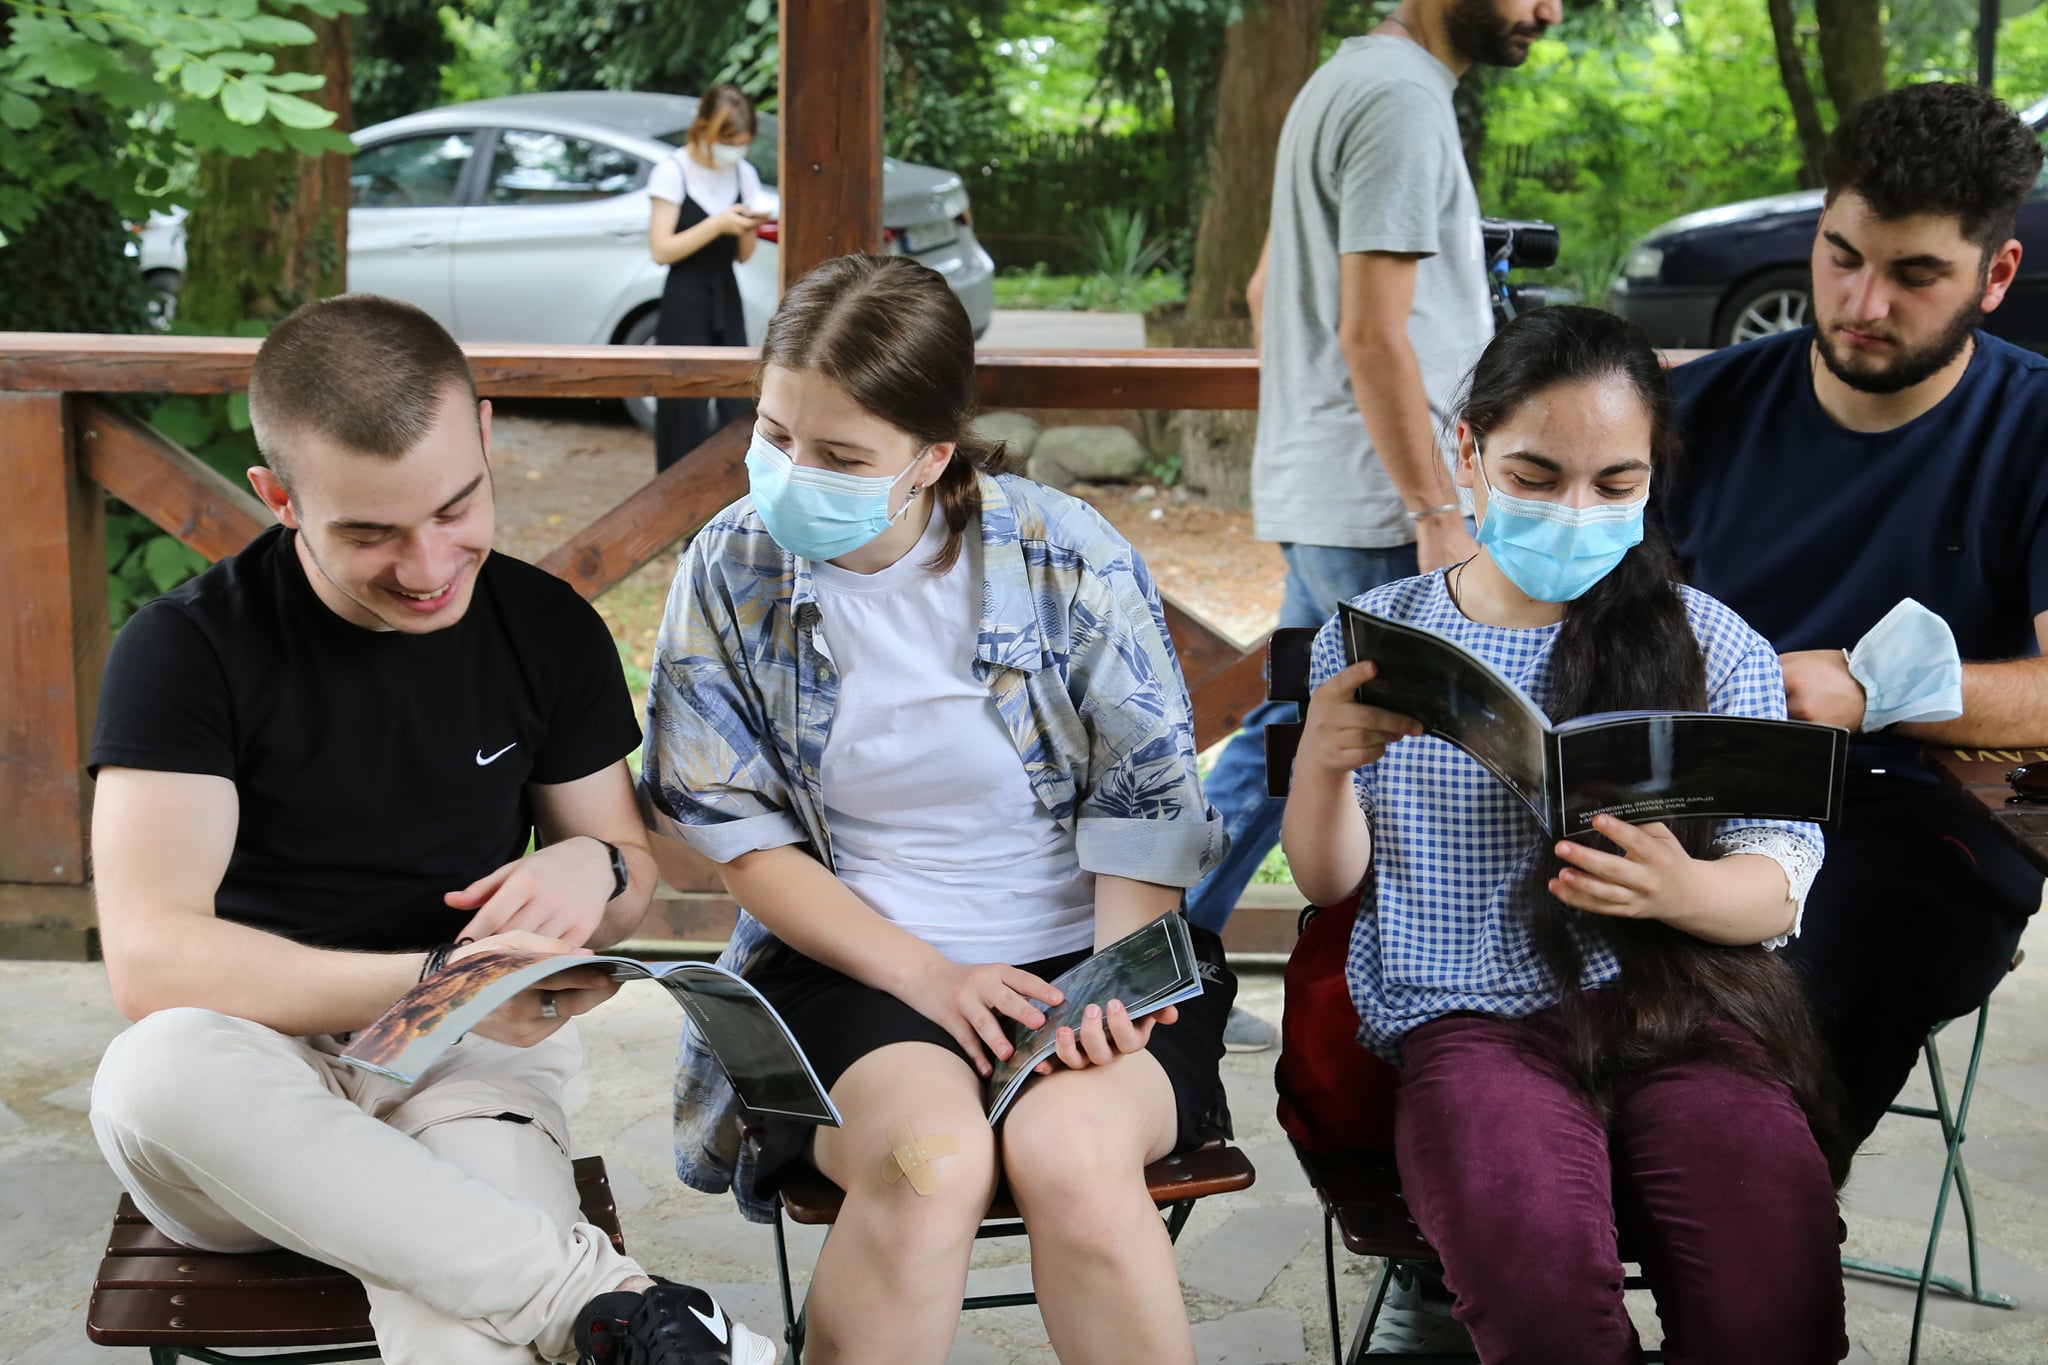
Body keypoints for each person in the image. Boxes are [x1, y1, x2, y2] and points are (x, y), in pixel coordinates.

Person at [85, 294, 776, 1365]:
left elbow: (625, 867)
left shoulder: (545, 630)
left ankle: (602, 1311)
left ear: (485, 435)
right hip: (249, 1077)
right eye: (370, 533)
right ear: (279, 497)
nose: (426, 566)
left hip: (465, 1067)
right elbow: (151, 961)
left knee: (467, 1327)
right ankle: (610, 1298)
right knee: (153, 1071)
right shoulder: (183, 650)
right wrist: (440, 978)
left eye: (457, 508)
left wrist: (595, 867)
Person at [642, 253, 1235, 1365]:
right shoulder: (728, 566)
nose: (790, 473)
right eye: (774, 434)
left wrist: (1105, 992)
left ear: (930, 457)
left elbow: (1148, 804)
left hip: (1087, 953)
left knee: (1072, 1154)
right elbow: (738, 838)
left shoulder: (1065, 553)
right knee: (929, 1164)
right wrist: (929, 976)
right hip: (856, 963)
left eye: (839, 456)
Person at [1281, 306, 1848, 1364]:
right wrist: (1321, 758)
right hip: (1464, 1016)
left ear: (1651, 476)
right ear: (1468, 452)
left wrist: (1680, 891)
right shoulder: (1380, 640)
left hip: (1683, 1007)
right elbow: (1329, 882)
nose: (1576, 511)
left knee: (1771, 1302)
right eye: (1535, 477)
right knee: (1542, 1306)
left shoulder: (1712, 643)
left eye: (1614, 484)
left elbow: (1781, 875)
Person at [1664, 81, 2048, 1151]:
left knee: (1750, 1064)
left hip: (1917, 816)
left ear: (1995, 275)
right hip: (1684, 791)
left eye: (1915, 275)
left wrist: (1874, 690)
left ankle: (1745, 1223)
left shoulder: (2031, 426)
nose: (1861, 302)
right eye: (1840, 256)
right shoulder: (1693, 411)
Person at [1189, 0, 1561, 1053]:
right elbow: (1369, 329)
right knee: (1410, 755)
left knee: (1288, 737)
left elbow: (1266, 290)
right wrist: (1436, 508)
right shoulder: (1399, 98)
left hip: (1339, 487)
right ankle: (1423, 1007)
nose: (1547, 11)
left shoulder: (1347, 80)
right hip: (1383, 506)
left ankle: (1151, 966)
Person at [648, 83, 765, 474]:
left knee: (737, 402)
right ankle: (676, 498)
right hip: (685, 295)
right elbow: (661, 249)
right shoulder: (673, 171)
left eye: (742, 143)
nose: (735, 150)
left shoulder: (744, 174)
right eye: (729, 141)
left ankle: (734, 496)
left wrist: (748, 225)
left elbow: (744, 255)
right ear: (705, 129)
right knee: (683, 407)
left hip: (725, 292)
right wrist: (717, 224)